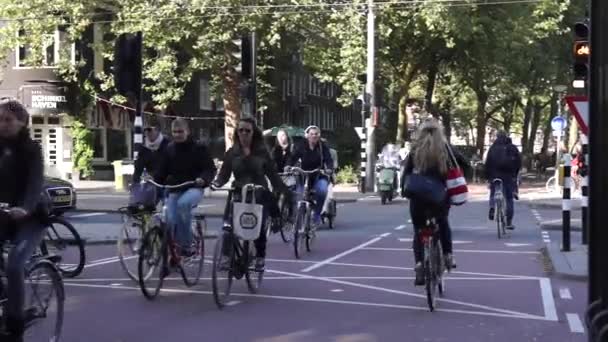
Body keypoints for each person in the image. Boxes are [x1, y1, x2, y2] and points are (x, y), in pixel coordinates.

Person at [213, 117, 290, 271]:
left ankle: (260, 257)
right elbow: (224, 174)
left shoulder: (262, 153)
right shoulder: (232, 152)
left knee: (257, 226)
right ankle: (227, 257)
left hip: (258, 193)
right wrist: (217, 183)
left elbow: (273, 176)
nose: (243, 133)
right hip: (238, 192)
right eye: (240, 130)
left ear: (253, 133)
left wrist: (283, 191)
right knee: (228, 226)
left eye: (247, 130)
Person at [0, 99, 47, 342]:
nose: (2, 125)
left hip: (30, 217)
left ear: (22, 122)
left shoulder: (32, 149)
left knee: (15, 265)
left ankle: (15, 324)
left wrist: (26, 207)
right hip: (3, 215)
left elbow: (35, 183)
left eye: (8, 120)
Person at [402, 118, 456, 286]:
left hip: (417, 197)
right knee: (443, 223)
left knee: (419, 231)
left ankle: (419, 264)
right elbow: (462, 165)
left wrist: (404, 191)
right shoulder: (445, 149)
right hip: (439, 197)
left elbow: (406, 172)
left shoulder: (415, 149)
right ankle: (448, 255)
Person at [154, 118, 216, 256]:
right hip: (175, 188)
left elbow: (209, 169)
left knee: (184, 204)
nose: (177, 135)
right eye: (174, 132)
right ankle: (175, 254)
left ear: (187, 131)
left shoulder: (199, 148)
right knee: (170, 220)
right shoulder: (169, 149)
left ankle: (186, 245)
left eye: (180, 131)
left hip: (193, 187)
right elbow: (161, 171)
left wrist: (203, 179)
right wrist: (152, 180)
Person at [288, 125, 334, 227]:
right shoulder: (301, 145)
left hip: (319, 174)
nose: (314, 136)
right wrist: (288, 166)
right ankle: (300, 216)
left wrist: (329, 169)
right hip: (303, 175)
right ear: (307, 135)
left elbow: (328, 159)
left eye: (316, 134)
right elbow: (293, 156)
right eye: (311, 134)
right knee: (299, 195)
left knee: (322, 190)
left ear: (319, 136)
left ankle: (317, 214)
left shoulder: (322, 146)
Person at [485, 130, 522, 230]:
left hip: (495, 175)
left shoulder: (492, 148)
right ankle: (509, 222)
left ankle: (492, 206)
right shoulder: (512, 148)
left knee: (493, 193)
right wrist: (515, 174)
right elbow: (518, 162)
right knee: (509, 198)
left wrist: (487, 178)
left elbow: (487, 163)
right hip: (508, 176)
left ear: (497, 137)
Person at [133, 118, 170, 184]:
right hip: (151, 182)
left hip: (167, 182)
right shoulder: (143, 147)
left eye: (149, 129)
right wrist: (135, 184)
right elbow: (138, 169)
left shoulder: (167, 145)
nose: (147, 132)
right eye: (145, 130)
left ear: (158, 130)